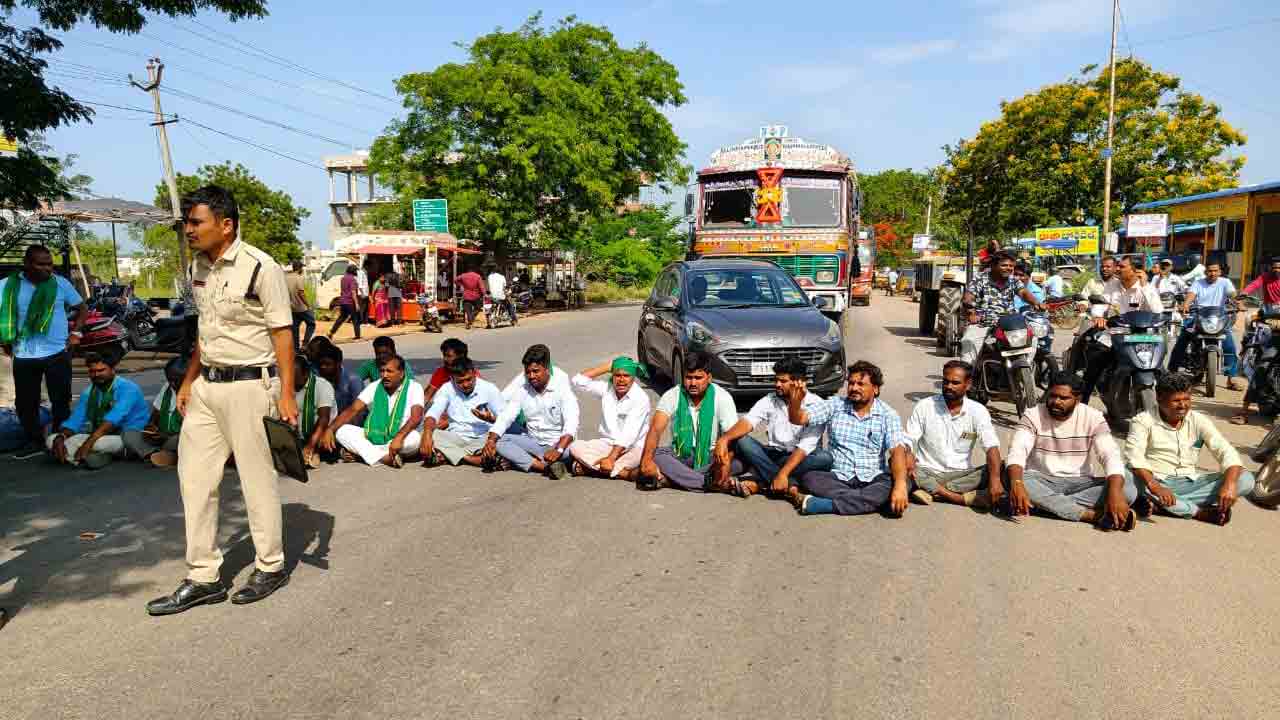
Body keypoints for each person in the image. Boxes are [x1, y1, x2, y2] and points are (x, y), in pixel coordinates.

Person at [146, 185, 298, 616]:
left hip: (252, 386)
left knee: (255, 480)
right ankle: (203, 577)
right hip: (208, 388)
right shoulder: (198, 268)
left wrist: (286, 394)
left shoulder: (259, 268)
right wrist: (190, 380)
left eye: (196, 222)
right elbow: (205, 332)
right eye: (188, 223)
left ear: (225, 225)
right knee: (193, 480)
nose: (188, 230)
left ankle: (271, 565)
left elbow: (282, 333)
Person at [1005, 373, 1137, 530]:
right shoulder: (1033, 415)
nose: (1056, 402)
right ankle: (1089, 515)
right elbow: (1017, 451)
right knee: (1013, 476)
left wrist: (1115, 493)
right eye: (1052, 396)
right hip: (1040, 479)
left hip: (1081, 483)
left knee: (1128, 487)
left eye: (1063, 398)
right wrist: (1017, 483)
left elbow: (1110, 455)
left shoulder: (1093, 417)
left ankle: (1042, 505)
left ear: (1078, 399)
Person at [781, 360, 910, 517]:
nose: (854, 388)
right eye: (851, 383)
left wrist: (900, 485)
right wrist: (795, 403)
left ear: (875, 389)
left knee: (902, 482)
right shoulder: (835, 405)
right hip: (837, 477)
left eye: (861, 384)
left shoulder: (888, 415)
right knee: (810, 478)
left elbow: (897, 450)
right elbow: (799, 418)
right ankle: (872, 502)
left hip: (873, 477)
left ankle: (824, 505)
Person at [1125, 373, 1253, 525]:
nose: (1183, 405)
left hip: (1189, 483)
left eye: (1186, 399)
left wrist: (1230, 484)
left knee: (1245, 479)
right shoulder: (1142, 421)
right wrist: (1156, 487)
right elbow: (1135, 457)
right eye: (1176, 400)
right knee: (1125, 475)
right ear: (1159, 399)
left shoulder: (1198, 420)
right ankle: (1198, 512)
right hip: (1155, 481)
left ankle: (1166, 506)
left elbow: (1226, 451)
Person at [1, 244, 86, 459]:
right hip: (23, 353)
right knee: (25, 402)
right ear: (27, 264)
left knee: (61, 399)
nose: (48, 268)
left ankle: (60, 438)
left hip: (57, 352)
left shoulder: (60, 284)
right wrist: (4, 338)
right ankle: (34, 440)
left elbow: (81, 308)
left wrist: (76, 334)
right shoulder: (7, 286)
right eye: (41, 264)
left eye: (50, 264)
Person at [716, 356, 832, 497]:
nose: (777, 384)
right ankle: (788, 485)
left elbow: (805, 447)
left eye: (783, 381)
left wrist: (783, 473)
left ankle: (762, 482)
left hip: (801, 458)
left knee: (825, 458)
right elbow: (748, 421)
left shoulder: (816, 404)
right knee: (742, 440)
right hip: (774, 455)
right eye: (776, 380)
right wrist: (724, 439)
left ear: (799, 382)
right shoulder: (770, 399)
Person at [635, 349, 743, 494]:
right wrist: (647, 460)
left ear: (709, 378)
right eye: (688, 377)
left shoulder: (722, 397)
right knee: (655, 455)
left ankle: (674, 479)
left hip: (712, 456)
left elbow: (732, 436)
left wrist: (725, 463)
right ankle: (708, 483)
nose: (692, 383)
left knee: (741, 461)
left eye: (698, 378)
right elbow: (655, 429)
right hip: (681, 454)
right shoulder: (673, 395)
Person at [904, 360, 1002, 508]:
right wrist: (908, 453)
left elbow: (991, 447)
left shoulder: (978, 411)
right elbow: (909, 439)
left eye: (955, 383)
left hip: (960, 475)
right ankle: (956, 497)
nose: (948, 386)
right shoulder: (925, 406)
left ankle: (930, 491)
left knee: (1001, 467)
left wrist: (995, 480)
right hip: (925, 471)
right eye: (945, 381)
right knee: (895, 457)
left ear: (968, 385)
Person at [484, 344, 580, 479]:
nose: (531, 376)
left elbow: (571, 424)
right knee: (500, 441)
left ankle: (543, 461)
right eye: (528, 372)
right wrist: (491, 440)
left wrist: (558, 450)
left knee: (577, 450)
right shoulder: (523, 390)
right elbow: (506, 416)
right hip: (534, 443)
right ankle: (544, 467)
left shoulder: (563, 391)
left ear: (547, 369)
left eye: (536, 371)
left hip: (559, 445)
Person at [47, 352, 150, 469]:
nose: (96, 375)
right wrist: (61, 437)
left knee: (98, 443)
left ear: (112, 370)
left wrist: (87, 444)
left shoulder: (128, 389)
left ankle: (86, 455)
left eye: (101, 370)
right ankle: (95, 455)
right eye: (92, 371)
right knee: (52, 440)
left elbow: (112, 420)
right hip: (100, 434)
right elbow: (75, 420)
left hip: (128, 436)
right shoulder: (89, 392)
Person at [324, 354, 424, 467]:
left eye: (389, 371)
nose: (385, 375)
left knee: (415, 439)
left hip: (401, 436)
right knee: (342, 431)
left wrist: (399, 437)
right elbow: (353, 410)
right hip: (374, 435)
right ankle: (385, 457)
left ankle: (362, 454)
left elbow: (416, 417)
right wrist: (330, 429)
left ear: (401, 373)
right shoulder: (375, 386)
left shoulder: (414, 387)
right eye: (382, 371)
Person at [567, 357, 652, 480]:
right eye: (617, 375)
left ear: (633, 378)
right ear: (612, 376)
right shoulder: (607, 388)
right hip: (607, 444)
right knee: (574, 446)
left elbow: (629, 435)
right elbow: (578, 381)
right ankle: (623, 473)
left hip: (633, 448)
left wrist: (611, 458)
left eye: (626, 376)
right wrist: (607, 367)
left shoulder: (641, 399)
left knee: (638, 456)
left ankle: (590, 468)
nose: (621, 380)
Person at [960, 252, 1044, 366]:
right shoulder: (980, 279)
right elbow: (968, 297)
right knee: (969, 340)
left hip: (1009, 322)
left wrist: (1036, 303)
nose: (1008, 268)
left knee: (1032, 338)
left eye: (1011, 266)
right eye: (1004, 265)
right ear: (994, 266)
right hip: (984, 322)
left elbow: (1023, 293)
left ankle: (1025, 367)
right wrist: (971, 312)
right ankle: (967, 374)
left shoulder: (1013, 280)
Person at [420, 356, 504, 467]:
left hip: (483, 437)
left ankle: (448, 456)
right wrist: (426, 435)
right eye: (460, 381)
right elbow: (432, 414)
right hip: (456, 436)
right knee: (426, 434)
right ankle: (473, 459)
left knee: (504, 439)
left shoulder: (489, 388)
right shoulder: (447, 388)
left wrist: (490, 419)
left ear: (474, 373)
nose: (465, 385)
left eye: (469, 379)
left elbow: (504, 419)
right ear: (452, 378)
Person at [1169, 259, 1239, 390]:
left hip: (1219, 317)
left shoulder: (1225, 282)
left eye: (1215, 271)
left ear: (1220, 272)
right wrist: (1186, 304)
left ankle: (1231, 378)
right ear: (1205, 271)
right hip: (1198, 314)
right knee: (1182, 339)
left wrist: (1238, 302)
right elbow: (1191, 295)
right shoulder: (1198, 283)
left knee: (1230, 346)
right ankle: (1171, 372)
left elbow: (1232, 294)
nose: (1212, 273)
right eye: (1210, 271)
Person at [123, 356, 187, 468]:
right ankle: (155, 454)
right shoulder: (167, 388)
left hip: (175, 438)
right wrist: (151, 426)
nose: (172, 384)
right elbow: (156, 412)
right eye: (170, 379)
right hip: (161, 439)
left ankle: (161, 455)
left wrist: (166, 436)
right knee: (128, 434)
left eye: (176, 380)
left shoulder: (196, 391)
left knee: (183, 439)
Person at [292, 355, 334, 468]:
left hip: (319, 431)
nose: (291, 381)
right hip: (299, 433)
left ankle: (313, 451)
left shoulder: (322, 386)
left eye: (295, 378)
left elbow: (324, 418)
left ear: (306, 374)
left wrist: (310, 445)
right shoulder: (288, 385)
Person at [315, 344, 363, 422]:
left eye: (327, 364)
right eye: (320, 364)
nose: (323, 367)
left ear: (338, 363)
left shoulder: (353, 381)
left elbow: (358, 413)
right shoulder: (318, 379)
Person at [327, 265, 362, 340]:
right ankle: (357, 336)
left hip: (343, 301)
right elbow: (353, 292)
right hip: (350, 302)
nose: (356, 272)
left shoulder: (343, 278)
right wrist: (356, 304)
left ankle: (331, 332)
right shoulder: (353, 279)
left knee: (341, 318)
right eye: (355, 270)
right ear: (353, 271)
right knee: (355, 319)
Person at [286, 260, 315, 349]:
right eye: (302, 267)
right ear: (299, 268)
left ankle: (296, 348)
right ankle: (305, 344)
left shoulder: (286, 277)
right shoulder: (299, 277)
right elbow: (301, 293)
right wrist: (308, 305)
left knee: (295, 327)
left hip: (291, 307)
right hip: (301, 307)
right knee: (311, 323)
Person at [455, 265, 485, 330]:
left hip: (466, 296)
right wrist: (483, 294)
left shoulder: (463, 275)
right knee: (478, 308)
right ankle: (471, 319)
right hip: (476, 296)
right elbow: (481, 287)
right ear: (474, 270)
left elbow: (456, 279)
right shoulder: (477, 276)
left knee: (468, 310)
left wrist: (460, 285)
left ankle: (469, 321)